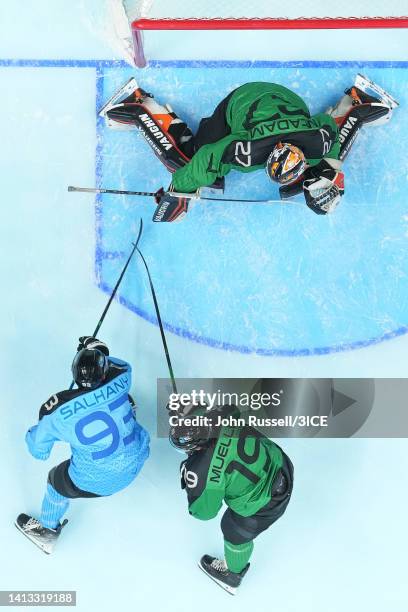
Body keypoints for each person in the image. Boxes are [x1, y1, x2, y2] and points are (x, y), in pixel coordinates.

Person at [100, 75, 397, 221]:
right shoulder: (243, 152)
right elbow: (205, 161)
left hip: (284, 99)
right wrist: (179, 191)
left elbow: (327, 125)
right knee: (187, 159)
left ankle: (354, 102)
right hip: (241, 103)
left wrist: (329, 167)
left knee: (328, 162)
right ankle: (142, 108)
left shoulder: (320, 140)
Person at [16, 336, 150, 554]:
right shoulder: (124, 375)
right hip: (138, 457)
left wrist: (41, 428)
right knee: (126, 401)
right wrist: (99, 352)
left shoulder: (57, 412)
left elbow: (38, 451)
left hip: (100, 481)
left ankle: (47, 531)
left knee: (55, 481)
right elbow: (115, 365)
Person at [168, 404, 294, 595]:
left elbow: (203, 512)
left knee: (234, 529)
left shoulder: (200, 472)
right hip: (280, 464)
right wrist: (188, 414)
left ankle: (233, 575)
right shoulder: (220, 415)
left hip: (268, 502)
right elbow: (230, 409)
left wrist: (189, 477)